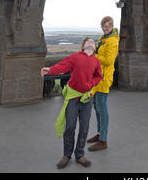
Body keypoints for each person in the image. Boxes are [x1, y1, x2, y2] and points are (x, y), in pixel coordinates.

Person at [41, 37, 102, 169]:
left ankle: (79, 155)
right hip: (73, 97)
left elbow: (99, 76)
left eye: (93, 42)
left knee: (84, 127)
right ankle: (67, 155)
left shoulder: (96, 61)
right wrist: (50, 70)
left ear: (95, 48)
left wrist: (91, 84)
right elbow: (62, 66)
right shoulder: (75, 57)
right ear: (83, 46)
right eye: (88, 41)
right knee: (70, 127)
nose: (91, 42)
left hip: (87, 98)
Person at [87, 16, 120, 151]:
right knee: (97, 107)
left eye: (108, 26)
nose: (105, 28)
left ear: (112, 26)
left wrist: (93, 55)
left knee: (102, 108)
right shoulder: (103, 38)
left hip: (104, 78)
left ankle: (103, 140)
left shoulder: (112, 41)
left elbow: (108, 60)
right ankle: (100, 134)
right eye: (103, 26)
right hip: (97, 78)